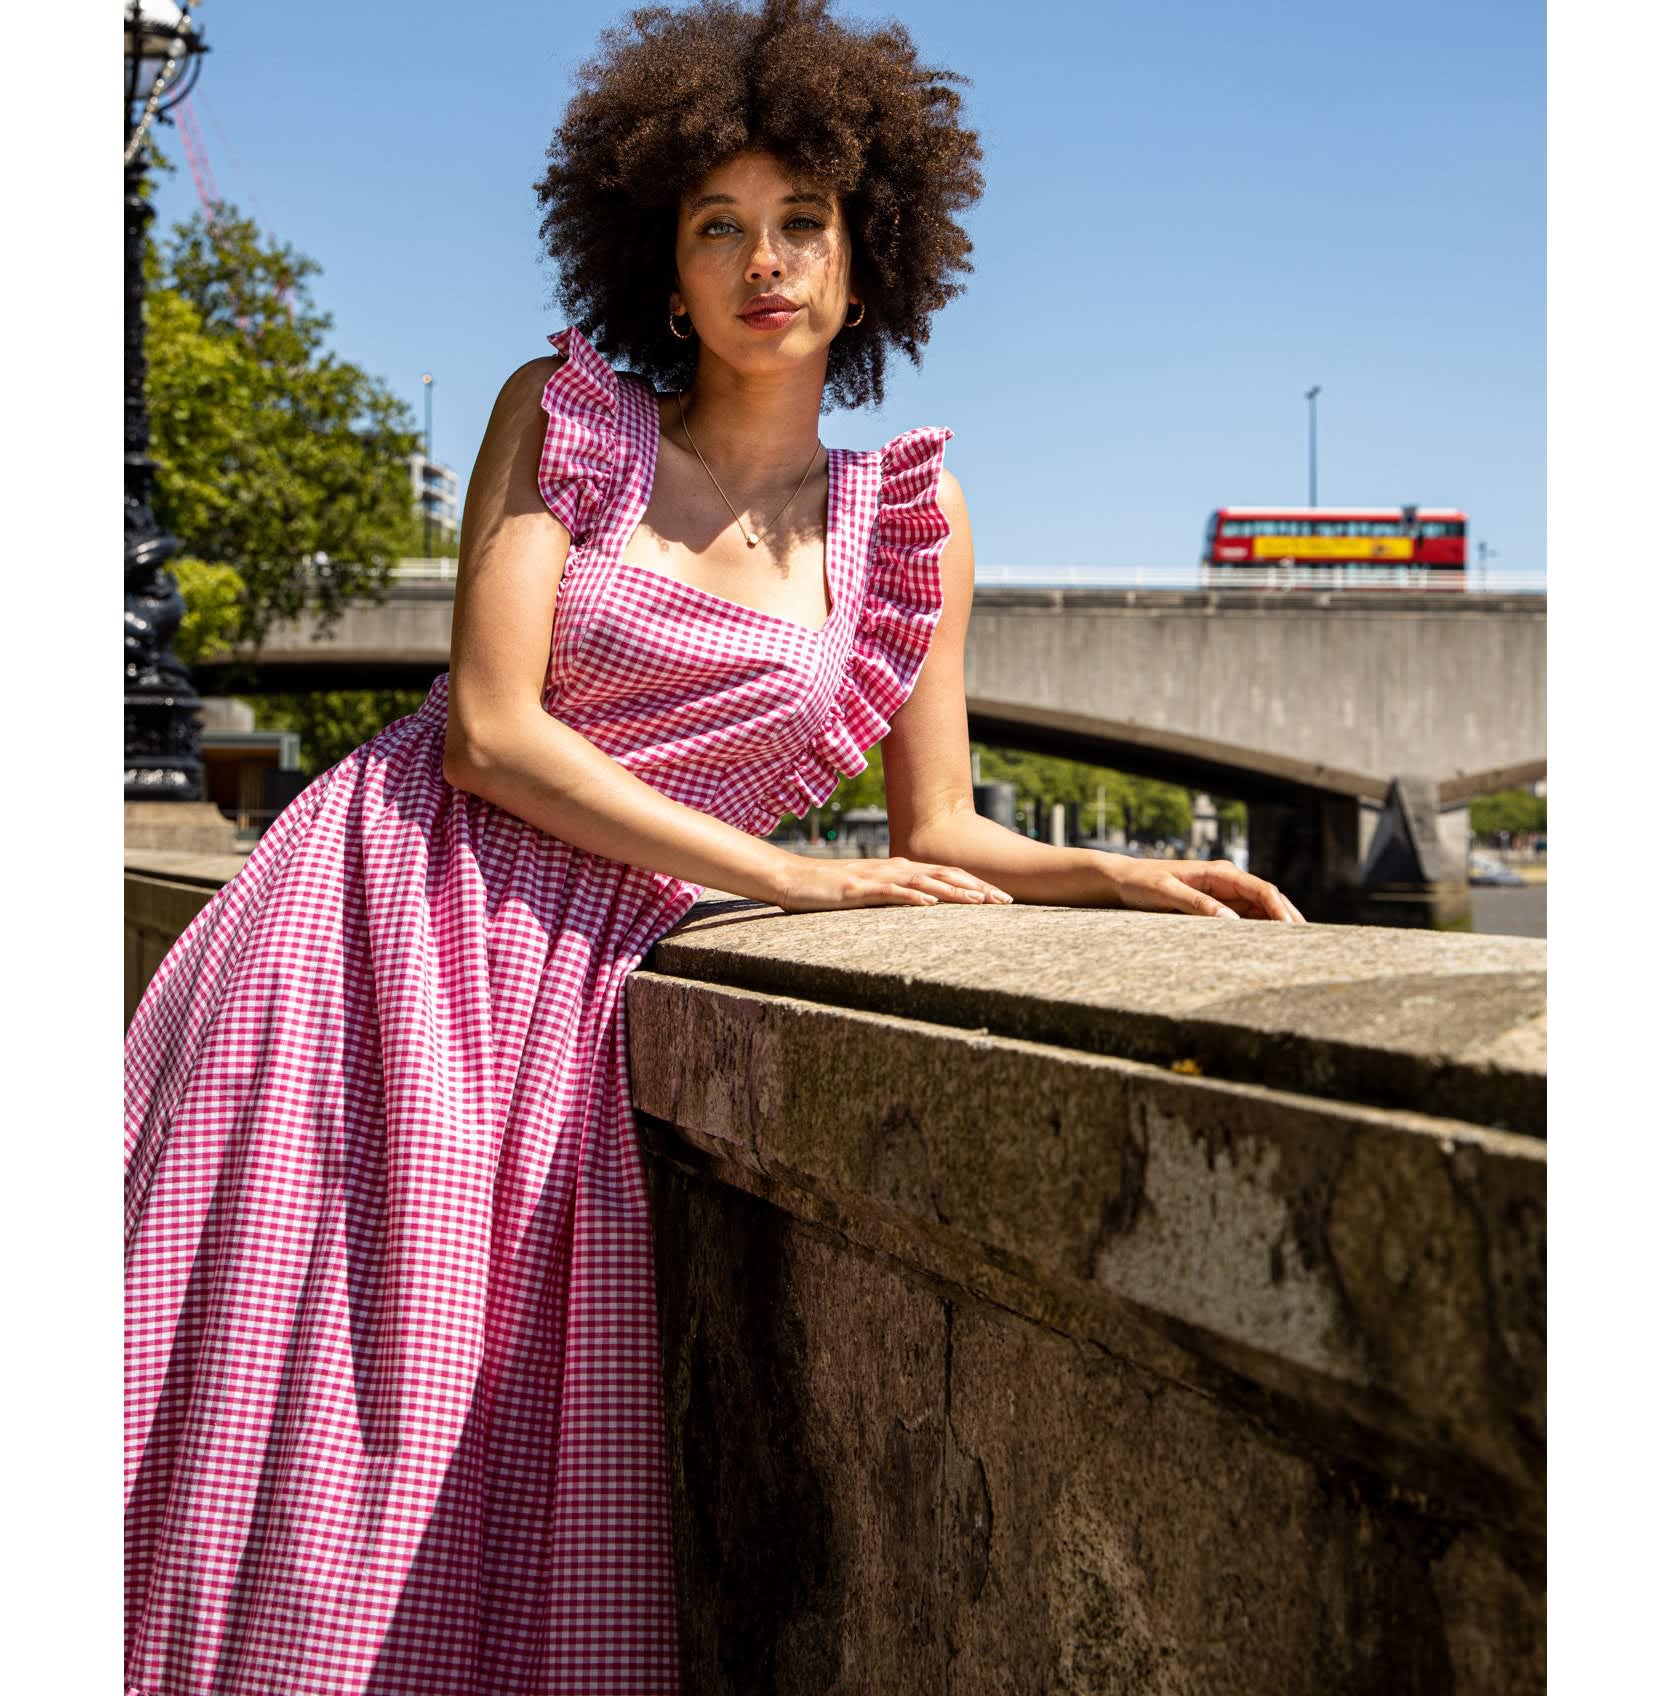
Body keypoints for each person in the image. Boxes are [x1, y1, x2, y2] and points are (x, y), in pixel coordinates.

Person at [124, 2, 1305, 1691]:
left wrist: (1108, 877)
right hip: (382, 922)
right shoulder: (571, 419)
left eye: (803, 225)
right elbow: (490, 732)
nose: (767, 264)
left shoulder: (912, 518)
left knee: (478, 1432)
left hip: (576, 987)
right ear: (660, 266)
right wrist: (786, 877)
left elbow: (938, 822)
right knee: (311, 1410)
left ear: (864, 258)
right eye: (719, 227)